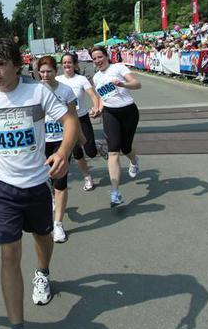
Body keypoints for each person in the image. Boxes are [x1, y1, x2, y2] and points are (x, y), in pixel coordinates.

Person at [0, 38, 78, 329]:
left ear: (17, 65)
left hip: (36, 184)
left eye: (2, 64)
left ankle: (43, 272)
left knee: (43, 237)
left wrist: (63, 153)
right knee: (9, 254)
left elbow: (70, 121)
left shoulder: (38, 93)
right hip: (2, 186)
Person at [89, 45, 142, 207]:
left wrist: (123, 84)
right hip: (110, 114)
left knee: (126, 148)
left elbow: (137, 84)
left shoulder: (118, 67)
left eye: (100, 57)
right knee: (113, 151)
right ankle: (115, 193)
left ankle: (134, 160)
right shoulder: (96, 77)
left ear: (107, 56)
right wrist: (98, 110)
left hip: (129, 112)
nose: (98, 60)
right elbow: (103, 98)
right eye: (94, 58)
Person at [35, 56, 80, 244]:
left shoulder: (66, 90)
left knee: (60, 181)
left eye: (49, 71)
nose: (45, 75)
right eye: (42, 72)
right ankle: (52, 198)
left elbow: (73, 117)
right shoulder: (34, 91)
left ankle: (58, 224)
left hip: (61, 142)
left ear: (56, 71)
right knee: (45, 179)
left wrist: (78, 137)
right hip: (40, 142)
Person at [56, 52, 102, 192]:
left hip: (82, 118)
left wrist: (96, 107)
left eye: (69, 62)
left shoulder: (81, 79)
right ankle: (87, 177)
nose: (67, 65)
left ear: (75, 64)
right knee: (76, 152)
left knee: (91, 151)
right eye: (64, 62)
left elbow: (93, 96)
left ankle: (97, 145)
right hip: (67, 120)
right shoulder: (57, 79)